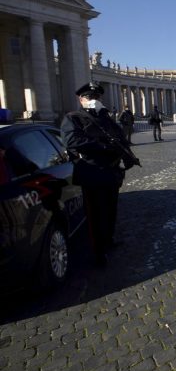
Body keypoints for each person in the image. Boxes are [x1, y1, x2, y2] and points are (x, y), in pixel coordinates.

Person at [61, 82, 139, 266]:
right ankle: (98, 253)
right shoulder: (73, 118)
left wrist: (126, 155)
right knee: (95, 215)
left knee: (111, 210)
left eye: (96, 97)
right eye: (90, 97)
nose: (94, 100)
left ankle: (109, 240)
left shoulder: (106, 118)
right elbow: (72, 140)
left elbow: (120, 137)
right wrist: (103, 146)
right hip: (91, 172)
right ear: (81, 99)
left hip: (111, 172)